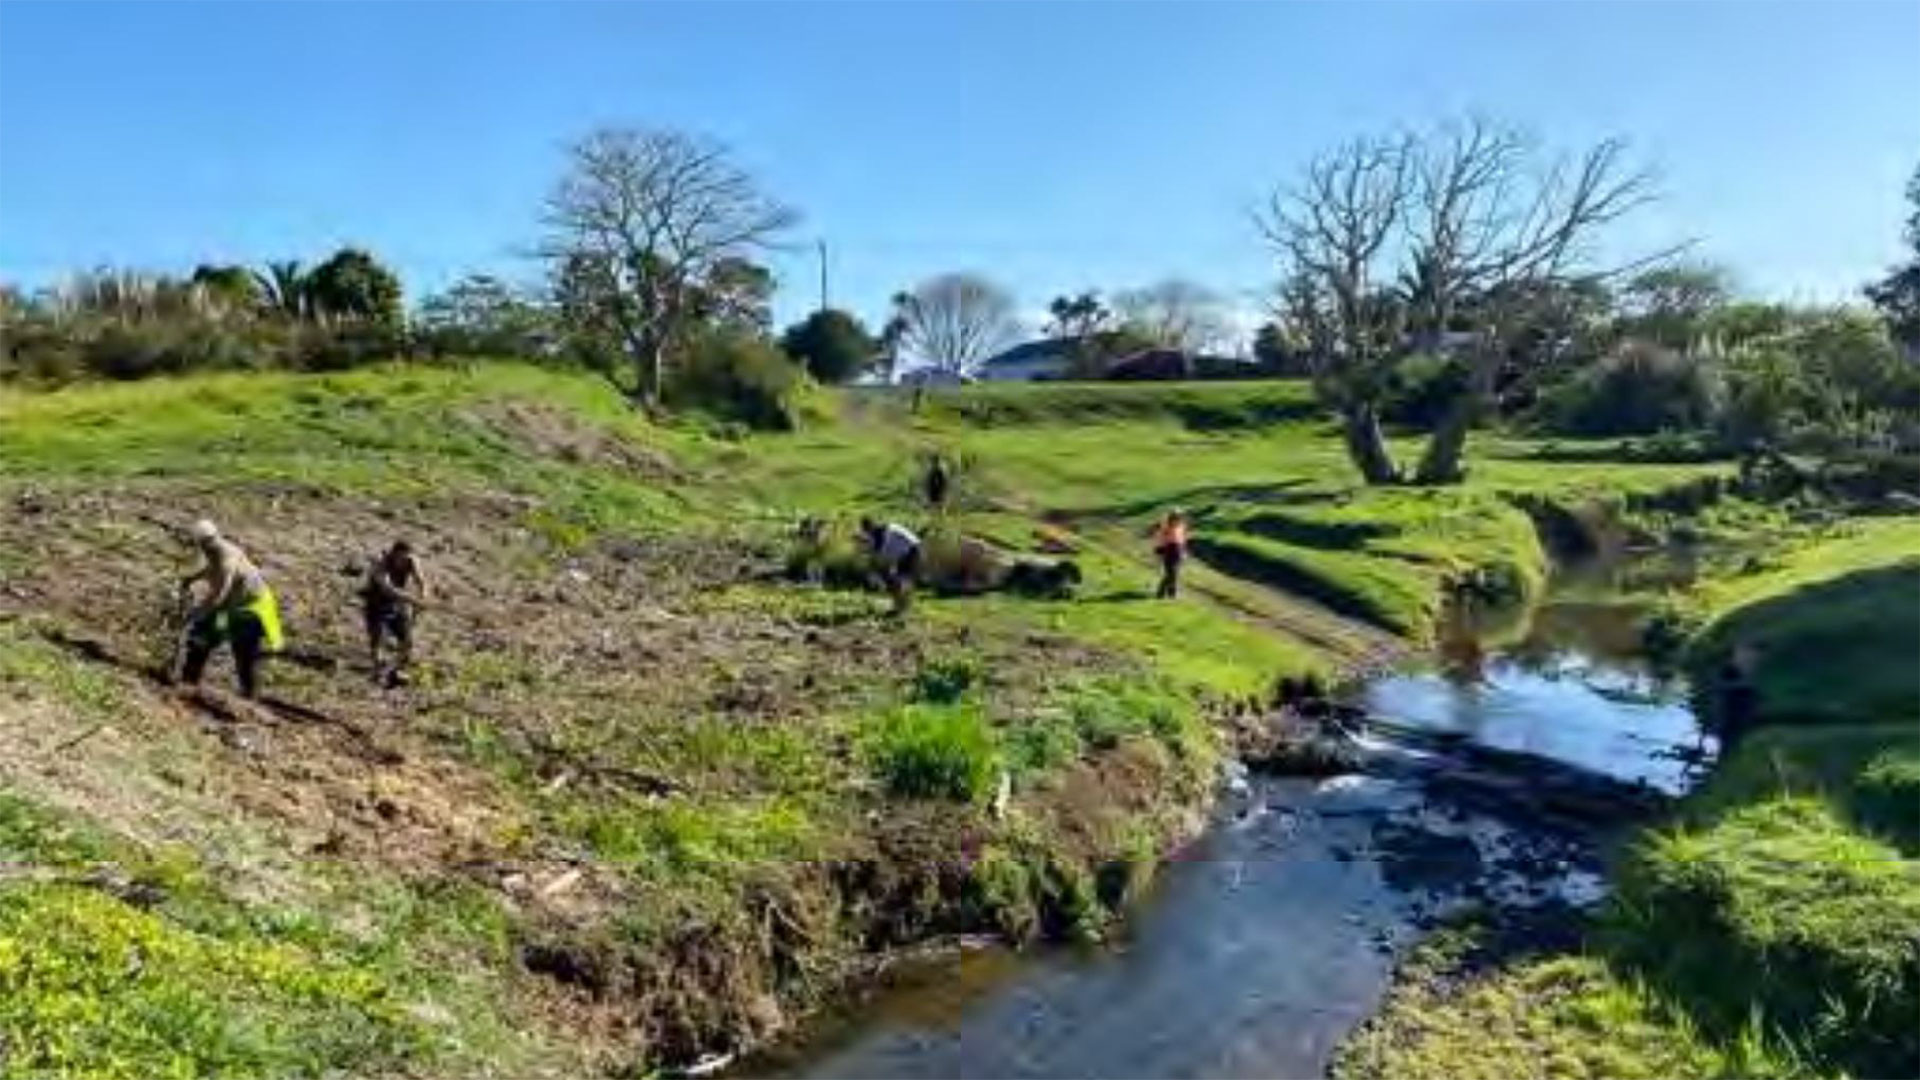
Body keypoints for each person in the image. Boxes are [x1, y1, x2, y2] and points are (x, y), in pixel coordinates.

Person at [176, 519, 282, 699]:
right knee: (202, 636)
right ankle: (189, 682)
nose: (201, 548)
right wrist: (192, 578)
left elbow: (219, 596)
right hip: (234, 605)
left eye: (201, 544)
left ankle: (249, 696)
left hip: (252, 609)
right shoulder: (216, 551)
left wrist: (197, 613)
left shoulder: (226, 559)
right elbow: (212, 569)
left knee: (242, 648)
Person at [362, 540, 429, 686]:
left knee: (407, 640)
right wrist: (413, 600)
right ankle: (377, 671)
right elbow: (388, 588)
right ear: (394, 554)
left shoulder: (412, 561)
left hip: (397, 604)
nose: (403, 562)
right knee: (377, 640)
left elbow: (421, 581)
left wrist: (423, 597)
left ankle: (396, 671)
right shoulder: (381, 563)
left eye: (406, 558)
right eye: (401, 558)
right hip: (376, 604)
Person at [861, 516, 922, 616]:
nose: (867, 534)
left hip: (911, 552)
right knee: (898, 580)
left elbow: (878, 555)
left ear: (869, 528)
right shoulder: (881, 531)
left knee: (897, 580)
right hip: (910, 550)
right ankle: (901, 607)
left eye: (867, 531)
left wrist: (873, 570)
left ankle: (901, 608)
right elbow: (879, 552)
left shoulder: (881, 534)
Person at [1153, 509, 1188, 599]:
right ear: (1171, 518)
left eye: (1179, 517)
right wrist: (1159, 550)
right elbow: (1160, 538)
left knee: (1174, 573)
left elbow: (1182, 539)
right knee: (1171, 573)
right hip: (1168, 550)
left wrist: (1183, 552)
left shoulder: (1181, 526)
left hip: (1177, 551)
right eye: (1175, 517)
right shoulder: (1165, 527)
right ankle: (1163, 592)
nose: (1177, 519)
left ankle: (1169, 593)